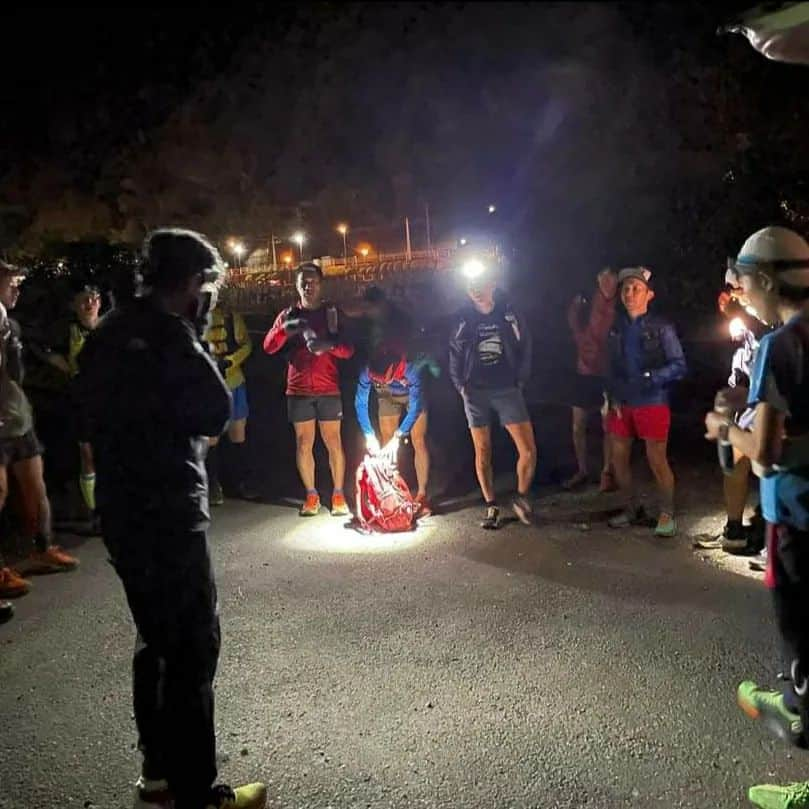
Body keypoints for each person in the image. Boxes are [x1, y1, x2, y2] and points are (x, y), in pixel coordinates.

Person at [76, 229, 266, 809]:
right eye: (204, 287)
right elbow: (214, 408)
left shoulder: (107, 333)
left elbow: (83, 414)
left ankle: (158, 773)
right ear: (189, 284)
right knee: (191, 644)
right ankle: (196, 791)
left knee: (154, 639)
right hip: (170, 510)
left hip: (122, 509)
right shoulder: (172, 336)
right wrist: (194, 334)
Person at [704, 226, 809, 809]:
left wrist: (726, 429)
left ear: (767, 280)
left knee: (803, 640)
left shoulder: (782, 345)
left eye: (744, 284)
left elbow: (764, 451)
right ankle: (792, 701)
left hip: (798, 516)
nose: (741, 294)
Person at [0, 262, 78, 602]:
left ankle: (40, 549)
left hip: (17, 418)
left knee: (35, 487)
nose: (17, 288)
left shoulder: (9, 323)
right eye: (10, 282)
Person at [449, 260, 536, 529]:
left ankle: (521, 498)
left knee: (528, 450)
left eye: (480, 284)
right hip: (475, 391)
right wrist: (459, 385)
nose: (475, 290)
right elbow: (453, 351)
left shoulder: (508, 313)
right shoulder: (463, 318)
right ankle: (491, 505)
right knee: (482, 451)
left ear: (492, 285)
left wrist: (520, 379)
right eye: (470, 286)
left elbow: (526, 345)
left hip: (507, 388)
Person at [263, 262, 354, 517]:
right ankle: (311, 495)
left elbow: (349, 350)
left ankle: (338, 495)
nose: (308, 286)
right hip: (298, 389)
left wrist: (329, 346)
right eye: (303, 281)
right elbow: (268, 347)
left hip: (328, 387)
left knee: (333, 442)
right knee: (304, 443)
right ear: (296, 285)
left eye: (313, 282)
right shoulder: (288, 314)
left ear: (321, 285)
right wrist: (283, 330)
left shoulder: (331, 313)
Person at [605, 267, 687, 537]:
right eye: (626, 289)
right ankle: (631, 509)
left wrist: (653, 377)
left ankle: (667, 513)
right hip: (622, 403)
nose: (629, 293)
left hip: (652, 401)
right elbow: (611, 366)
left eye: (636, 289)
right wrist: (612, 394)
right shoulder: (616, 328)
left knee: (657, 460)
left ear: (649, 295)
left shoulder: (661, 327)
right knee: (619, 459)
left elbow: (679, 365)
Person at [694, 286, 766, 555]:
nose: (734, 294)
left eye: (740, 288)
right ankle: (734, 528)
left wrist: (742, 311)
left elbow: (771, 336)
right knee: (734, 459)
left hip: (778, 408)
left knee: (773, 467)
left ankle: (776, 536)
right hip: (749, 408)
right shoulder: (748, 327)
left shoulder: (777, 319)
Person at [355, 339, 432, 515]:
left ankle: (422, 495)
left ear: (391, 368)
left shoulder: (412, 366)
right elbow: (360, 403)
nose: (379, 380)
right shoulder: (367, 371)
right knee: (386, 441)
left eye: (383, 378)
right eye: (376, 379)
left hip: (413, 394)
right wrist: (368, 434)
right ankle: (390, 496)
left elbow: (416, 406)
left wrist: (400, 435)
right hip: (387, 396)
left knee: (418, 440)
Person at [564, 267, 618, 491]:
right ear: (598, 279)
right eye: (603, 278)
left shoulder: (622, 303)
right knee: (578, 424)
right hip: (583, 370)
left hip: (608, 372)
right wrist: (578, 338)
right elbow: (572, 317)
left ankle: (607, 472)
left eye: (611, 279)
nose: (607, 283)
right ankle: (582, 470)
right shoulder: (586, 299)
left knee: (609, 425)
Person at [204, 302, 255, 504]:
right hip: (207, 384)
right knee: (211, 436)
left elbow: (247, 344)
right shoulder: (193, 316)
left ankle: (239, 482)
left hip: (234, 381)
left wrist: (230, 361)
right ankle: (213, 485)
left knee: (238, 432)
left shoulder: (231, 316)